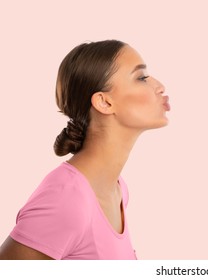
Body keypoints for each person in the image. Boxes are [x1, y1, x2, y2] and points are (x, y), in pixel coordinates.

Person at [0, 40, 170, 259]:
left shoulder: (117, 190)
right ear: (104, 103)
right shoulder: (67, 197)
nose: (159, 86)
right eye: (141, 78)